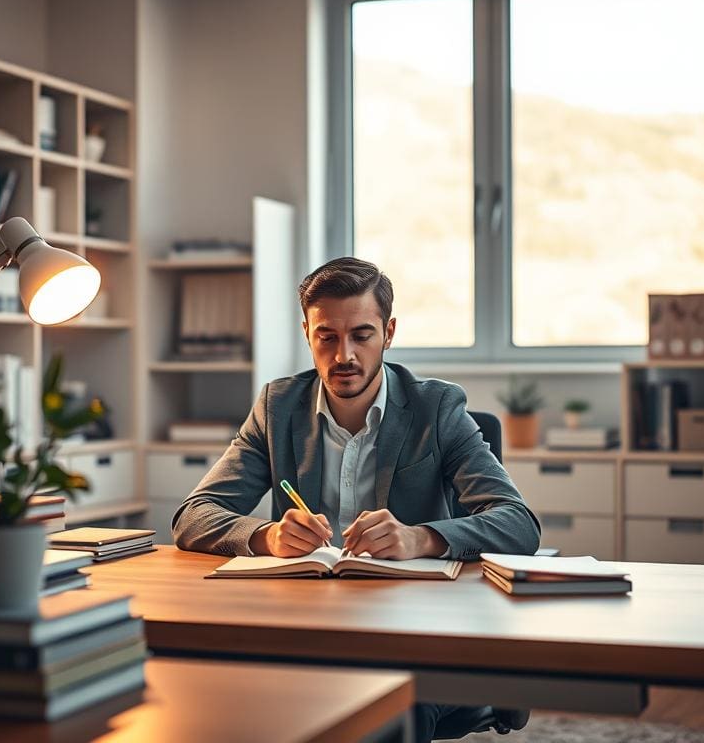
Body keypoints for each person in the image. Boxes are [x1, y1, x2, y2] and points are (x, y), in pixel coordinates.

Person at [173, 257, 540, 740]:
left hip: (417, 628)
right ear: (307, 332)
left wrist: (420, 538)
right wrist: (264, 536)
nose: (343, 355)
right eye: (327, 336)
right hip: (307, 624)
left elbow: (518, 524)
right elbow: (192, 517)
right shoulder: (276, 408)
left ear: (388, 333)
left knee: (388, 710)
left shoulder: (437, 408)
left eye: (361, 336)